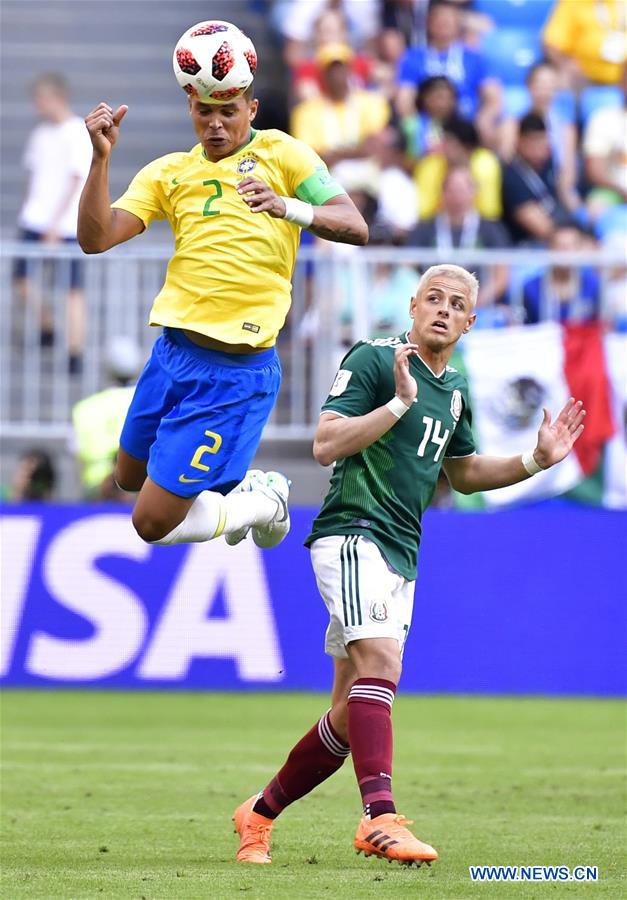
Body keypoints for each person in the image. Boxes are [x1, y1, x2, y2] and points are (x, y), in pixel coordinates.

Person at [232, 263, 586, 865]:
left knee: (350, 713)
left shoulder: (454, 393)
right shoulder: (376, 360)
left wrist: (535, 460)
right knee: (383, 664)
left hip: (401, 552)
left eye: (456, 304)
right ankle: (380, 816)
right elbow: (325, 443)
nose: (443, 310)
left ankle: (258, 814)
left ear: (470, 322)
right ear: (413, 305)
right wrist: (397, 405)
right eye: (434, 299)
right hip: (353, 533)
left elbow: (465, 472)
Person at [77, 80, 368, 550]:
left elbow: (355, 225)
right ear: (190, 107)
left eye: (228, 112)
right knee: (128, 476)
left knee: (150, 522)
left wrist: (288, 207)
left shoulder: (285, 154)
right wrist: (100, 158)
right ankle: (235, 488)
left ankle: (264, 500)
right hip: (172, 354)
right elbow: (96, 239)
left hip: (234, 375)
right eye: (205, 112)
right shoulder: (168, 172)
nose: (216, 124)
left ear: (251, 109)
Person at [14, 73, 92, 374]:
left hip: (65, 224)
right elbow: (34, 176)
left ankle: (75, 350)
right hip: (36, 217)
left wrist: (55, 223)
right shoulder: (42, 134)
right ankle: (47, 326)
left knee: (72, 289)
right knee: (22, 280)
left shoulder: (75, 132)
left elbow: (76, 179)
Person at [396, 0, 501, 145]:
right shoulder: (413, 57)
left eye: (448, 19)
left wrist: (484, 119)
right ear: (428, 23)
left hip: (466, 123)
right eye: (438, 19)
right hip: (427, 125)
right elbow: (404, 99)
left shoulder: (475, 58)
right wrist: (416, 127)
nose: (443, 23)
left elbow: (494, 98)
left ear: (458, 24)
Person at [406, 165, 510, 308]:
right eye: (451, 191)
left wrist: (475, 302)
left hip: (479, 307)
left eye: (462, 190)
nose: (457, 197)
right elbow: (407, 267)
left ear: (473, 192)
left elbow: (501, 276)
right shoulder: (425, 228)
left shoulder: (491, 229)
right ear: (442, 193)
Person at [499, 61, 581, 215]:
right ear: (529, 86)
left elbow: (567, 170)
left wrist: (566, 195)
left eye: (550, 85)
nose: (545, 91)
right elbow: (506, 158)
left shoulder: (565, 126)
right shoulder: (512, 122)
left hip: (554, 188)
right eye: (540, 84)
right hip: (523, 188)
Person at [289, 43, 390, 168]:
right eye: (330, 70)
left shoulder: (372, 102)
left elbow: (374, 146)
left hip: (369, 168)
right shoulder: (305, 112)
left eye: (340, 67)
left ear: (350, 70)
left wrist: (336, 155)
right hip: (327, 175)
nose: (336, 74)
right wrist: (356, 152)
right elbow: (308, 156)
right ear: (322, 74)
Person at [71, 336, 142, 500]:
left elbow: (76, 454)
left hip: (95, 490)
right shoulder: (147, 403)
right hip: (137, 486)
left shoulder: (85, 408)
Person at [413, 114, 502, 220]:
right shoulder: (430, 165)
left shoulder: (485, 164)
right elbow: (423, 211)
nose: (441, 146)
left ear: (467, 147)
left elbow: (489, 212)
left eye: (448, 142)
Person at [501, 113, 570, 245]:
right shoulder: (512, 176)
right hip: (525, 247)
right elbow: (541, 228)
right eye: (532, 140)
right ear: (519, 141)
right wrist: (570, 236)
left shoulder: (548, 168)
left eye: (541, 140)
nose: (538, 147)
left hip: (556, 237)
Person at [521, 225, 601, 324]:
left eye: (570, 246)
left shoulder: (593, 285)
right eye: (559, 246)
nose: (565, 252)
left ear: (580, 250)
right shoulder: (531, 287)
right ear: (549, 249)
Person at [543, 0, 626, 89]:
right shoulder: (573, 3)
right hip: (584, 78)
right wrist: (566, 63)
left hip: (623, 77)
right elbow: (552, 42)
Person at [583, 64, 627, 217]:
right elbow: (594, 169)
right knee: (595, 208)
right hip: (614, 190)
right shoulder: (603, 119)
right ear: (622, 82)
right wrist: (621, 190)